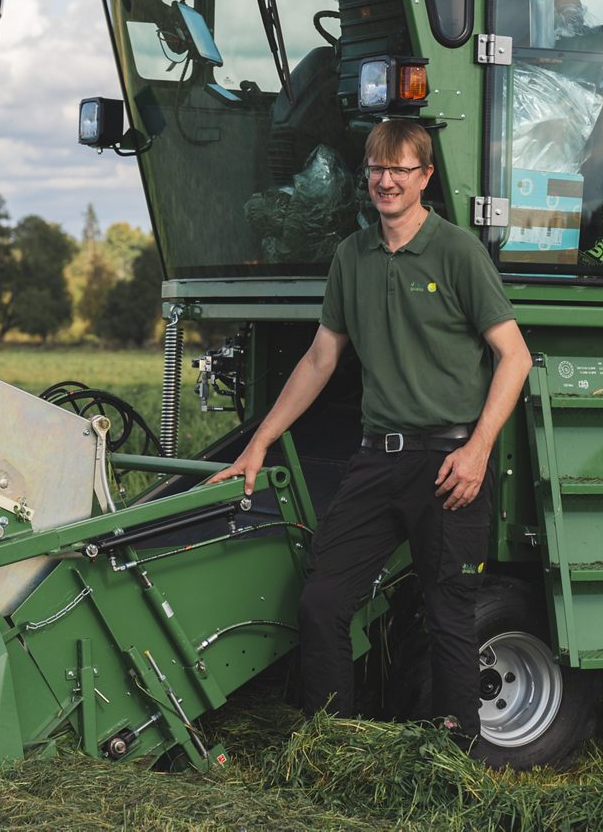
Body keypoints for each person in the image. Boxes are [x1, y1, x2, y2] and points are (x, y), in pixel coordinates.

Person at [208, 119, 532, 748]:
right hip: (378, 460)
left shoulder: (457, 252)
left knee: (449, 616)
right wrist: (259, 442)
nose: (387, 181)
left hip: (449, 463)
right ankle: (332, 743)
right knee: (323, 601)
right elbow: (319, 360)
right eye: (378, 169)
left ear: (425, 177)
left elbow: (513, 357)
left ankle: (456, 756)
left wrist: (478, 450)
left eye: (400, 170)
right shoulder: (350, 257)